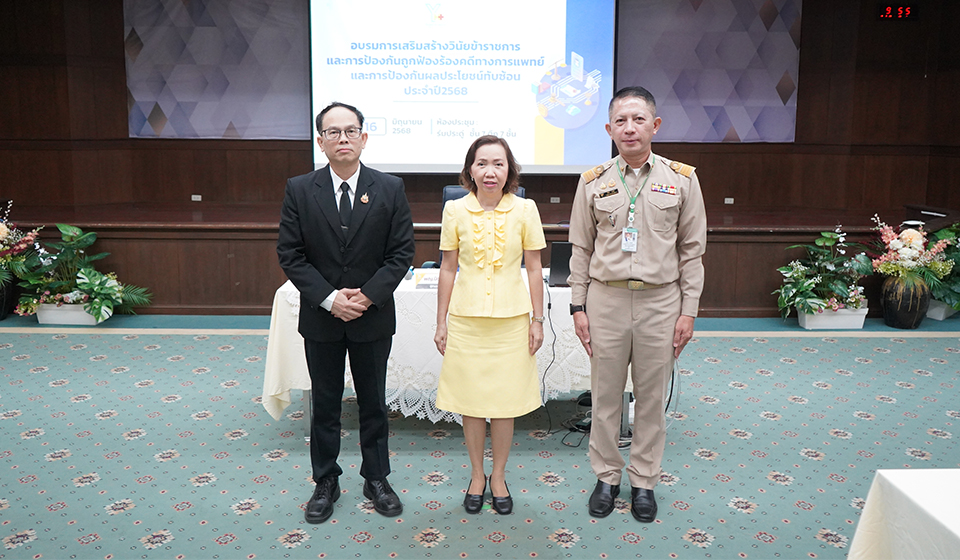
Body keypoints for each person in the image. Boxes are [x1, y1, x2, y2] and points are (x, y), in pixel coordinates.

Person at [567, 86, 706, 523]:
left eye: (639, 119)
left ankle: (644, 480)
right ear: (609, 129)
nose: (630, 128)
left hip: (661, 302)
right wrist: (577, 307)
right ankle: (606, 477)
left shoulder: (682, 179)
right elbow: (580, 249)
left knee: (650, 399)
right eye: (621, 121)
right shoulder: (592, 182)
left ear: (655, 125)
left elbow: (692, 252)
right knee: (605, 397)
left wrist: (688, 310)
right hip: (605, 300)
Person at [277, 101, 415, 524]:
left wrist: (367, 297)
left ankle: (377, 478)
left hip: (373, 316)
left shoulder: (389, 188)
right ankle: (326, 480)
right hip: (322, 317)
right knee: (325, 403)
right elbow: (291, 254)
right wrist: (330, 299)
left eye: (350, 131)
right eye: (333, 132)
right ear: (321, 141)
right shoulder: (300, 189)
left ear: (364, 138)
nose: (343, 139)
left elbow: (401, 254)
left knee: (373, 402)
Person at [433, 135, 546, 515]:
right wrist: (441, 321)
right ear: (470, 170)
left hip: (511, 321)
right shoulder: (455, 210)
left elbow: (534, 268)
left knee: (503, 403)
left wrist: (537, 320)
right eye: (482, 163)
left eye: (498, 163)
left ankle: (498, 476)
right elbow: (448, 268)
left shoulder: (525, 209)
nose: (490, 171)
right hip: (467, 321)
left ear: (509, 170)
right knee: (470, 402)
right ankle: (476, 475)